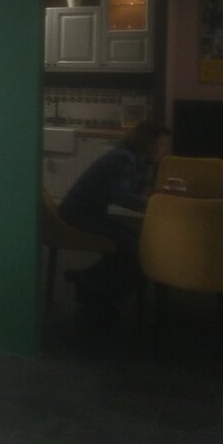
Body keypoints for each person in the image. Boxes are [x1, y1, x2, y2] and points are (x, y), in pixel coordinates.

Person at [58, 121, 169, 311]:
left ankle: (89, 280)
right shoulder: (121, 159)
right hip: (77, 214)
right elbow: (122, 197)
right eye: (160, 145)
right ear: (147, 144)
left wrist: (148, 179)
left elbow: (137, 188)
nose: (163, 150)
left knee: (134, 241)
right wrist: (155, 203)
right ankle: (106, 291)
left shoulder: (135, 158)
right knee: (131, 245)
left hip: (89, 212)